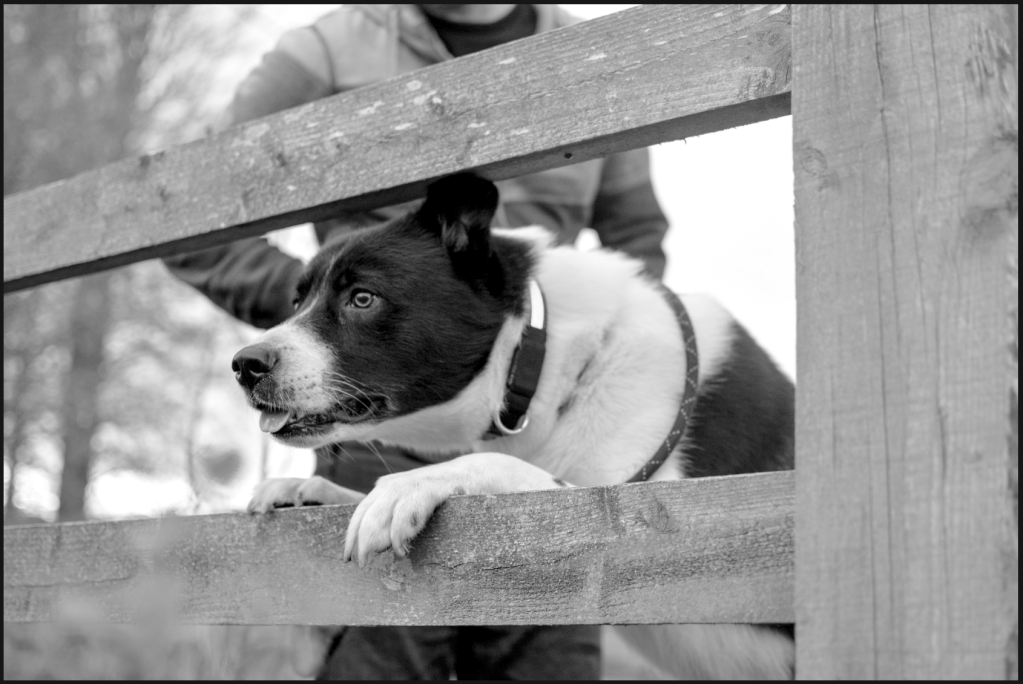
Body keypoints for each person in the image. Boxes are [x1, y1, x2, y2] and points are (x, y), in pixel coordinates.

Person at [165, 4, 670, 679]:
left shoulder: (594, 53)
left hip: (538, 442)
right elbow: (187, 212)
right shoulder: (326, 50)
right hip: (371, 428)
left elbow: (636, 240)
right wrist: (333, 306)